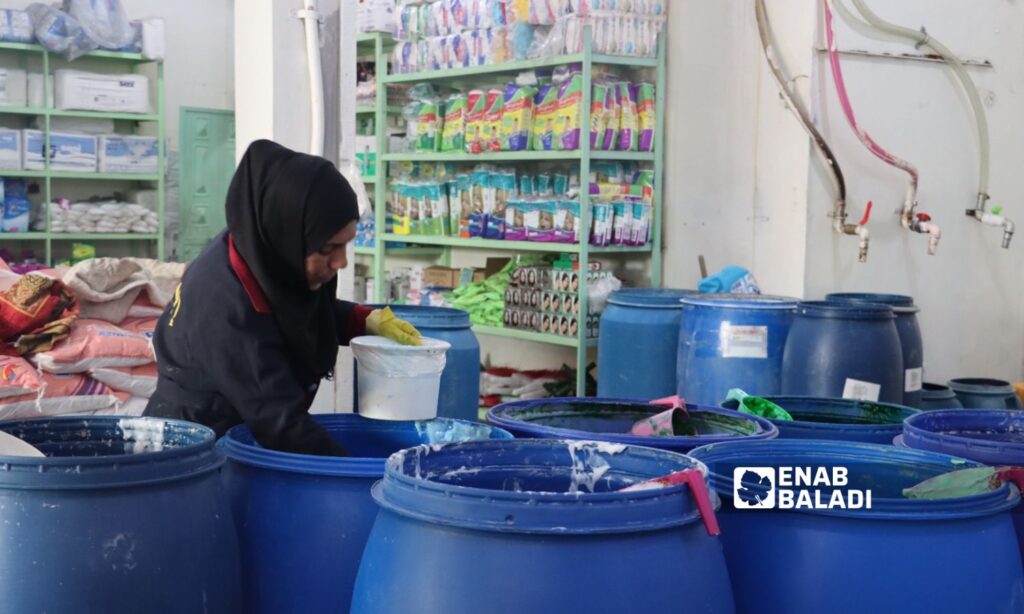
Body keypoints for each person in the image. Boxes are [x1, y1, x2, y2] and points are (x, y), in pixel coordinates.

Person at [144, 140, 421, 456]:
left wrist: (362, 319)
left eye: (347, 245)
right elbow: (281, 423)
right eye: (328, 249)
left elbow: (290, 310)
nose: (341, 262)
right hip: (194, 447)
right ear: (289, 233)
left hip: (244, 430)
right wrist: (362, 475)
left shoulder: (261, 251)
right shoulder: (225, 307)